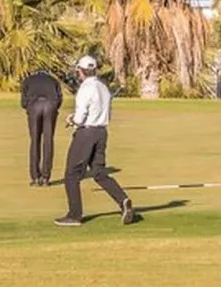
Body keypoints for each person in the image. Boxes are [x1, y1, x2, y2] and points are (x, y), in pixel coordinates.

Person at [56, 55, 136, 227]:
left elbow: (80, 116)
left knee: (71, 175)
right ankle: (123, 200)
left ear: (80, 71)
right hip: (101, 132)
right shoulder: (103, 87)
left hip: (86, 133)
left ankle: (74, 215)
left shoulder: (85, 89)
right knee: (99, 172)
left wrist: (71, 120)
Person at [20, 68, 63, 186]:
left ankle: (35, 177)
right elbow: (59, 100)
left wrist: (29, 107)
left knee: (35, 141)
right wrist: (54, 108)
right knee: (48, 141)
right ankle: (46, 177)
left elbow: (23, 102)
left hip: (34, 106)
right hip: (50, 106)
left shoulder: (28, 80)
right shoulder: (53, 80)